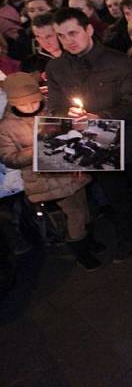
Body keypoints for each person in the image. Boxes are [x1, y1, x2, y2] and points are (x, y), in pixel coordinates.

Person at [47, 8, 132, 259]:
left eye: (73, 33)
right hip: (92, 145)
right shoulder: (57, 68)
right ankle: (130, 236)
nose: (68, 40)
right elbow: (55, 105)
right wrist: (68, 114)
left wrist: (101, 117)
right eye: (61, 36)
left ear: (88, 30)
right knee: (116, 196)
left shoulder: (117, 61)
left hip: (129, 141)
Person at [0, 73, 98, 270]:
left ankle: (87, 240)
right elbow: (9, 158)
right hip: (45, 179)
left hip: (70, 170)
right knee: (75, 213)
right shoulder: (6, 127)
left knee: (85, 208)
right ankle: (80, 251)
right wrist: (37, 148)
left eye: (33, 102)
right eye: (23, 104)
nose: (30, 107)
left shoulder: (51, 112)